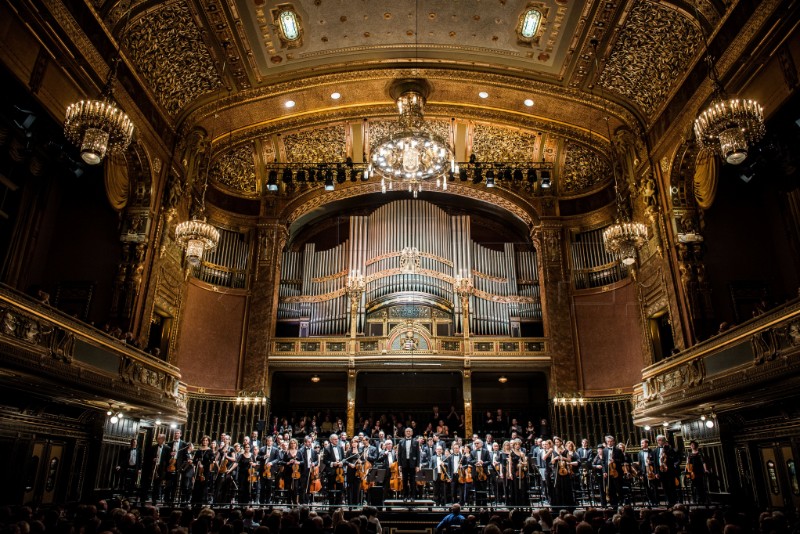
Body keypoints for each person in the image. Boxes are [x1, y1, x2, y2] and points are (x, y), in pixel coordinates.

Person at [655, 434, 680, 506]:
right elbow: (656, 463)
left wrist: (666, 454)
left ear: (664, 441)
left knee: (671, 487)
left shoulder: (670, 449)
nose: (658, 441)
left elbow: (674, 459)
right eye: (658, 440)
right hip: (661, 471)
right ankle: (668, 502)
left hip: (669, 471)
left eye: (660, 440)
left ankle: (674, 502)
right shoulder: (655, 451)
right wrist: (656, 473)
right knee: (665, 487)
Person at [397, 427, 420, 501]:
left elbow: (418, 454)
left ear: (412, 433)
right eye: (407, 431)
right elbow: (399, 454)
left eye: (409, 431)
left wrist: (417, 465)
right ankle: (405, 496)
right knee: (404, 480)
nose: (408, 432)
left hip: (412, 463)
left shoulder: (416, 442)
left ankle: (413, 497)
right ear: (405, 433)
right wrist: (399, 465)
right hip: (404, 463)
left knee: (412, 481)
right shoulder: (401, 442)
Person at [324, 433, 346, 505]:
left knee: (340, 489)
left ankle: (338, 505)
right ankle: (331, 505)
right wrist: (333, 463)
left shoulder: (340, 447)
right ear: (331, 440)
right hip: (332, 472)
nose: (337, 440)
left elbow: (344, 459)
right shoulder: (327, 449)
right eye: (335, 439)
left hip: (340, 471)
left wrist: (342, 462)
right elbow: (325, 460)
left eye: (337, 439)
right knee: (331, 489)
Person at [636, 438, 658, 506]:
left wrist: (650, 462)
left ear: (647, 443)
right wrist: (640, 473)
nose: (641, 444)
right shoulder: (640, 453)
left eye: (643, 443)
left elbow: (656, 461)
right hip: (644, 471)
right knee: (646, 487)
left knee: (654, 486)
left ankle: (656, 501)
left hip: (651, 471)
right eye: (641, 443)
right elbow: (640, 463)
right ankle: (650, 500)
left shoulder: (653, 451)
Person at [686, 440, 709, 504]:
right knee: (693, 485)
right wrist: (688, 471)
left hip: (699, 470)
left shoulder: (699, 453)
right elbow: (688, 463)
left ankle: (701, 499)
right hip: (692, 471)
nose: (692, 446)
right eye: (691, 445)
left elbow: (703, 462)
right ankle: (695, 499)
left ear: (695, 446)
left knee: (700, 485)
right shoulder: (689, 454)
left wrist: (705, 469)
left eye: (693, 445)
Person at [149, 433, 169, 503]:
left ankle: (157, 497)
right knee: (154, 484)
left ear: (163, 439)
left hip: (162, 469)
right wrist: (152, 459)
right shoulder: (153, 447)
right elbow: (148, 457)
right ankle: (153, 499)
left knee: (158, 484)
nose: (157, 439)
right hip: (153, 467)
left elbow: (168, 460)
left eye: (159, 438)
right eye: (157, 438)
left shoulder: (167, 448)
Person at [471, 439, 491, 505]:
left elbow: (489, 461)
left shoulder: (486, 451)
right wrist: (476, 462)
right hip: (475, 474)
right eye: (475, 443)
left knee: (484, 490)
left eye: (477, 443)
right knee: (477, 490)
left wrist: (483, 463)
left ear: (481, 444)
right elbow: (469, 461)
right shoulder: (472, 452)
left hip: (484, 473)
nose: (476, 445)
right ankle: (477, 506)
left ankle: (485, 505)